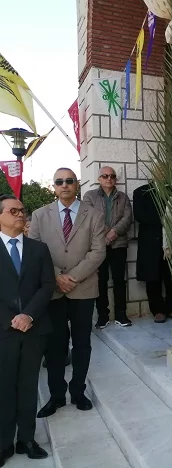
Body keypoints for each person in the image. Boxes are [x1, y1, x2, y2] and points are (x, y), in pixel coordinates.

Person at [31, 168, 106, 418]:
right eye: (59, 181)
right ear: (54, 186)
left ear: (77, 184)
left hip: (83, 289)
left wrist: (72, 277)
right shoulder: (40, 215)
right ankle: (56, 395)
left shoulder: (93, 214)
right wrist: (56, 277)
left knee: (82, 343)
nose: (64, 185)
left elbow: (98, 251)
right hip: (52, 291)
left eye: (69, 181)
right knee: (55, 346)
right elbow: (34, 251)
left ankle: (78, 391)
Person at [0, 195, 55, 464]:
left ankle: (27, 439)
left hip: (34, 328)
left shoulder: (39, 249)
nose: (21, 214)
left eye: (22, 210)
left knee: (28, 385)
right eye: (13, 211)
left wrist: (28, 315)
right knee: (4, 387)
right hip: (3, 330)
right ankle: (4, 443)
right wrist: (11, 319)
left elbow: (47, 285)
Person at [83, 166, 133, 328]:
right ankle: (102, 316)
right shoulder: (90, 196)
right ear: (99, 179)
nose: (109, 179)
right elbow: (89, 217)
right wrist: (107, 233)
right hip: (98, 245)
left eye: (112, 176)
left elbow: (128, 218)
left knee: (119, 280)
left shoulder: (123, 197)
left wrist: (114, 232)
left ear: (115, 179)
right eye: (105, 176)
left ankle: (121, 314)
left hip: (119, 244)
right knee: (101, 281)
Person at [133, 178, 172, 323]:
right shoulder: (141, 192)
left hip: (171, 240)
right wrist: (165, 218)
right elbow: (140, 215)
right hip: (150, 241)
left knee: (171, 276)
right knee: (152, 277)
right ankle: (157, 310)